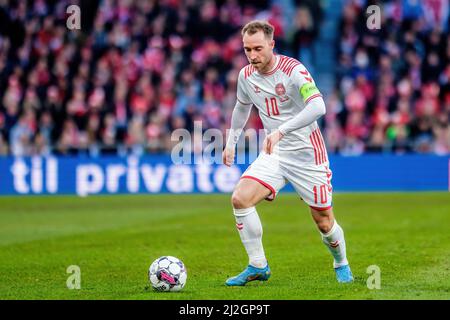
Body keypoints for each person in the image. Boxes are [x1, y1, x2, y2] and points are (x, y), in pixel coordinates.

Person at [222, 20, 353, 286]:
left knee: (324, 223)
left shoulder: (294, 70)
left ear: (272, 44)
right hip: (275, 153)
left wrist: (281, 130)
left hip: (307, 154)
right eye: (247, 49)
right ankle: (258, 265)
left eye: (258, 48)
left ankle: (341, 262)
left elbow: (318, 107)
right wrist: (231, 141)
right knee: (240, 198)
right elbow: (241, 107)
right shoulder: (246, 76)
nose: (252, 55)